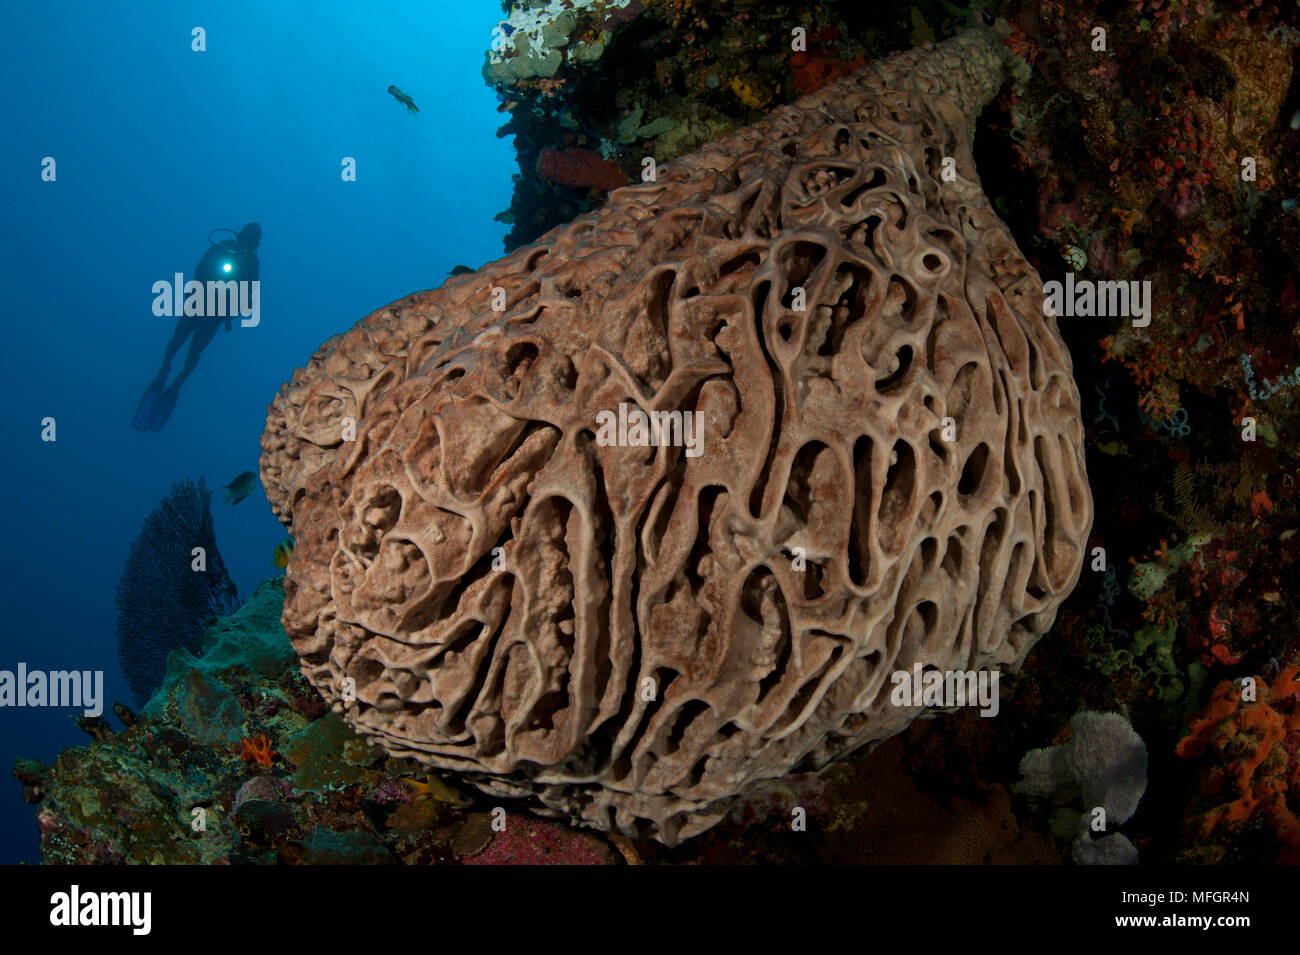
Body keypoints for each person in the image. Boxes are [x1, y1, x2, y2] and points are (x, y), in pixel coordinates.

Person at [132, 223, 262, 431]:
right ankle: (165, 369)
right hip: (198, 303)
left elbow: (249, 295)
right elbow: (200, 268)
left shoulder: (252, 263)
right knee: (177, 341)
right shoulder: (221, 248)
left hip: (216, 314)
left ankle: (178, 381)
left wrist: (230, 310)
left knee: (194, 351)